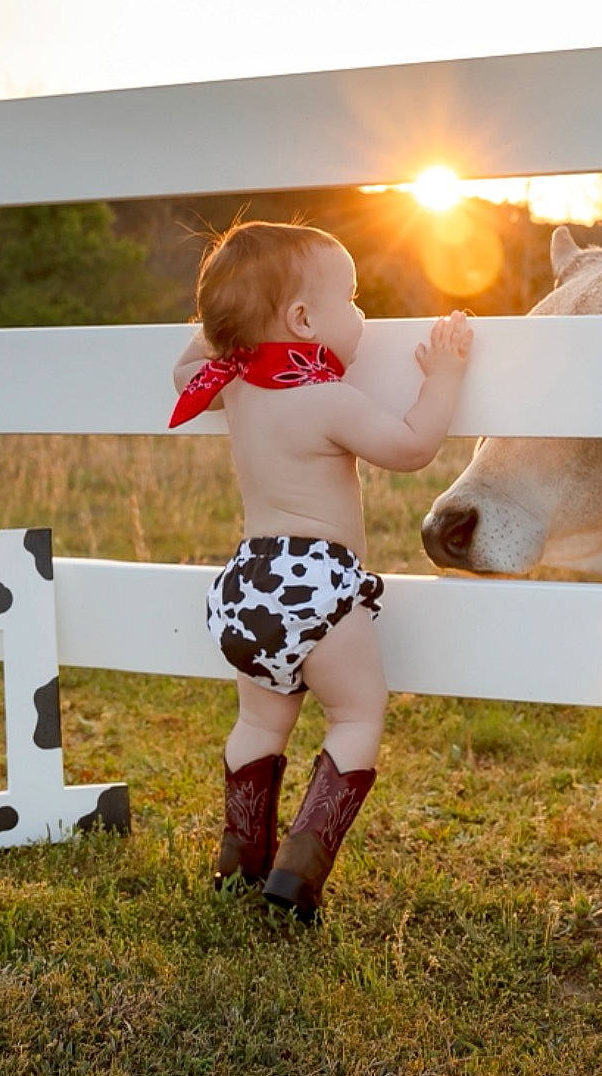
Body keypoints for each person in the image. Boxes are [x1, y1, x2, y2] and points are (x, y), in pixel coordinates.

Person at [170, 221, 472, 921]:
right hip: (317, 582)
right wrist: (446, 378)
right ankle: (297, 872)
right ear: (304, 319)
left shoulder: (238, 387)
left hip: (248, 587)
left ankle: (239, 861)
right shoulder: (329, 398)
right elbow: (410, 446)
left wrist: (226, 320)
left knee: (258, 724)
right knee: (356, 712)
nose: (362, 313)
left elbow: (186, 369)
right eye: (353, 296)